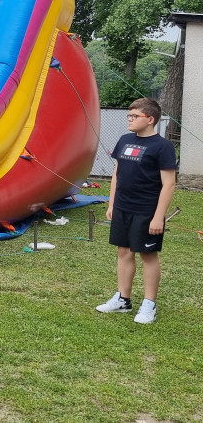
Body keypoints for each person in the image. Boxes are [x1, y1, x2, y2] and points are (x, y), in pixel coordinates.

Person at [96, 98, 176, 325]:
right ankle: (123, 299)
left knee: (147, 255)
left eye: (134, 116)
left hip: (146, 210)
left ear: (150, 119)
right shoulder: (124, 140)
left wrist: (158, 215)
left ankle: (149, 304)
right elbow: (117, 174)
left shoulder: (163, 147)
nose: (129, 120)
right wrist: (112, 204)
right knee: (123, 251)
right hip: (123, 207)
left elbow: (169, 184)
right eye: (128, 116)